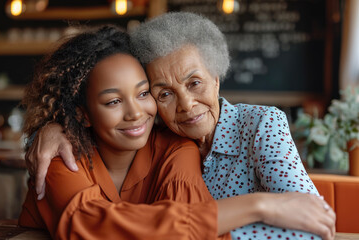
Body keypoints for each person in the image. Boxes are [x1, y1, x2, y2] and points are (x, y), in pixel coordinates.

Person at [23, 15, 335, 240]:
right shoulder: (63, 153)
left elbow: (311, 223)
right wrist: (47, 129)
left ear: (216, 78)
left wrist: (258, 208)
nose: (185, 105)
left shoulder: (191, 143)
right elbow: (89, 223)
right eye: (163, 93)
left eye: (142, 93)